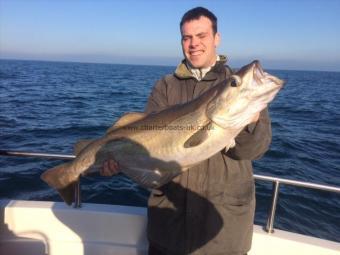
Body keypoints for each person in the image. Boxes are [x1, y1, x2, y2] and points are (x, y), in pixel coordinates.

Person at [101, 6, 272, 255]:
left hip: (222, 233)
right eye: (187, 37)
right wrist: (121, 160)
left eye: (201, 36)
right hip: (169, 227)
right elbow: (148, 147)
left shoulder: (240, 87)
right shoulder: (165, 86)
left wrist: (251, 120)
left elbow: (254, 150)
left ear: (216, 39)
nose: (194, 44)